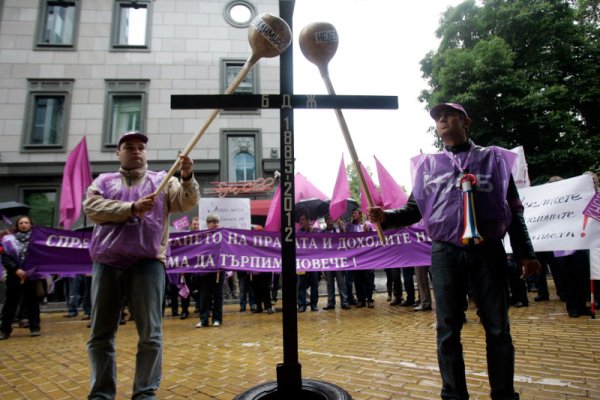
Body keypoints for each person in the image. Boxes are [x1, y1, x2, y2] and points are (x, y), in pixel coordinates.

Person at [369, 103, 540, 400]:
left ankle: (504, 394)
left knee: (498, 328)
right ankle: (453, 395)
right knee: (447, 329)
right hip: (445, 252)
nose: (442, 120)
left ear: (466, 121)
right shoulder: (428, 166)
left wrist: (526, 252)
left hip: (488, 251)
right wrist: (386, 216)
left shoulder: (494, 160)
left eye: (449, 115)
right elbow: (414, 209)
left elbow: (513, 207)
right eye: (438, 118)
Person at [83, 131, 200, 399]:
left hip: (148, 264)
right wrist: (131, 208)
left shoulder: (162, 181)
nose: (136, 151)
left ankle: (145, 393)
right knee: (100, 335)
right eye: (129, 147)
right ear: (118, 152)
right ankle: (101, 393)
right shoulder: (104, 181)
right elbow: (92, 208)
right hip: (107, 262)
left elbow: (187, 201)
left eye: (140, 147)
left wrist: (187, 176)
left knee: (150, 335)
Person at [0, 215, 42, 339]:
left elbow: (41, 256)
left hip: (31, 276)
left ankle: (34, 327)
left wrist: (31, 269)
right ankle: (5, 330)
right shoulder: (8, 240)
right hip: (14, 276)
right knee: (10, 303)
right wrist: (16, 269)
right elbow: (5, 257)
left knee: (32, 303)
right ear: (17, 225)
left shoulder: (37, 239)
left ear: (31, 224)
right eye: (21, 223)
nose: (24, 225)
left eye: (26, 222)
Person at [195, 214, 225, 327]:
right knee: (204, 295)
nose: (215, 224)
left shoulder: (223, 235)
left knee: (218, 295)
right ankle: (204, 319)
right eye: (212, 222)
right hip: (205, 270)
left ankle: (217, 319)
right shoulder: (201, 236)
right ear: (207, 224)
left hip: (219, 270)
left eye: (216, 222)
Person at [320, 214, 350, 310]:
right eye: (328, 218)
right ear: (325, 221)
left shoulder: (338, 230)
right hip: (328, 262)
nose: (330, 220)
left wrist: (342, 228)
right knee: (329, 283)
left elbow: (345, 238)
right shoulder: (321, 233)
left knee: (341, 282)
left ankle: (344, 302)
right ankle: (331, 303)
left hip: (338, 261)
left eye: (331, 218)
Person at [296, 213, 320, 312]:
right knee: (301, 284)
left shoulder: (315, 231)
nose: (301, 222)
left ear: (308, 220)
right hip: (301, 263)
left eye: (302, 220)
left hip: (313, 263)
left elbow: (321, 243)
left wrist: (312, 233)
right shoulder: (298, 232)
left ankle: (314, 304)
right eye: (300, 220)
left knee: (314, 283)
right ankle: (302, 304)